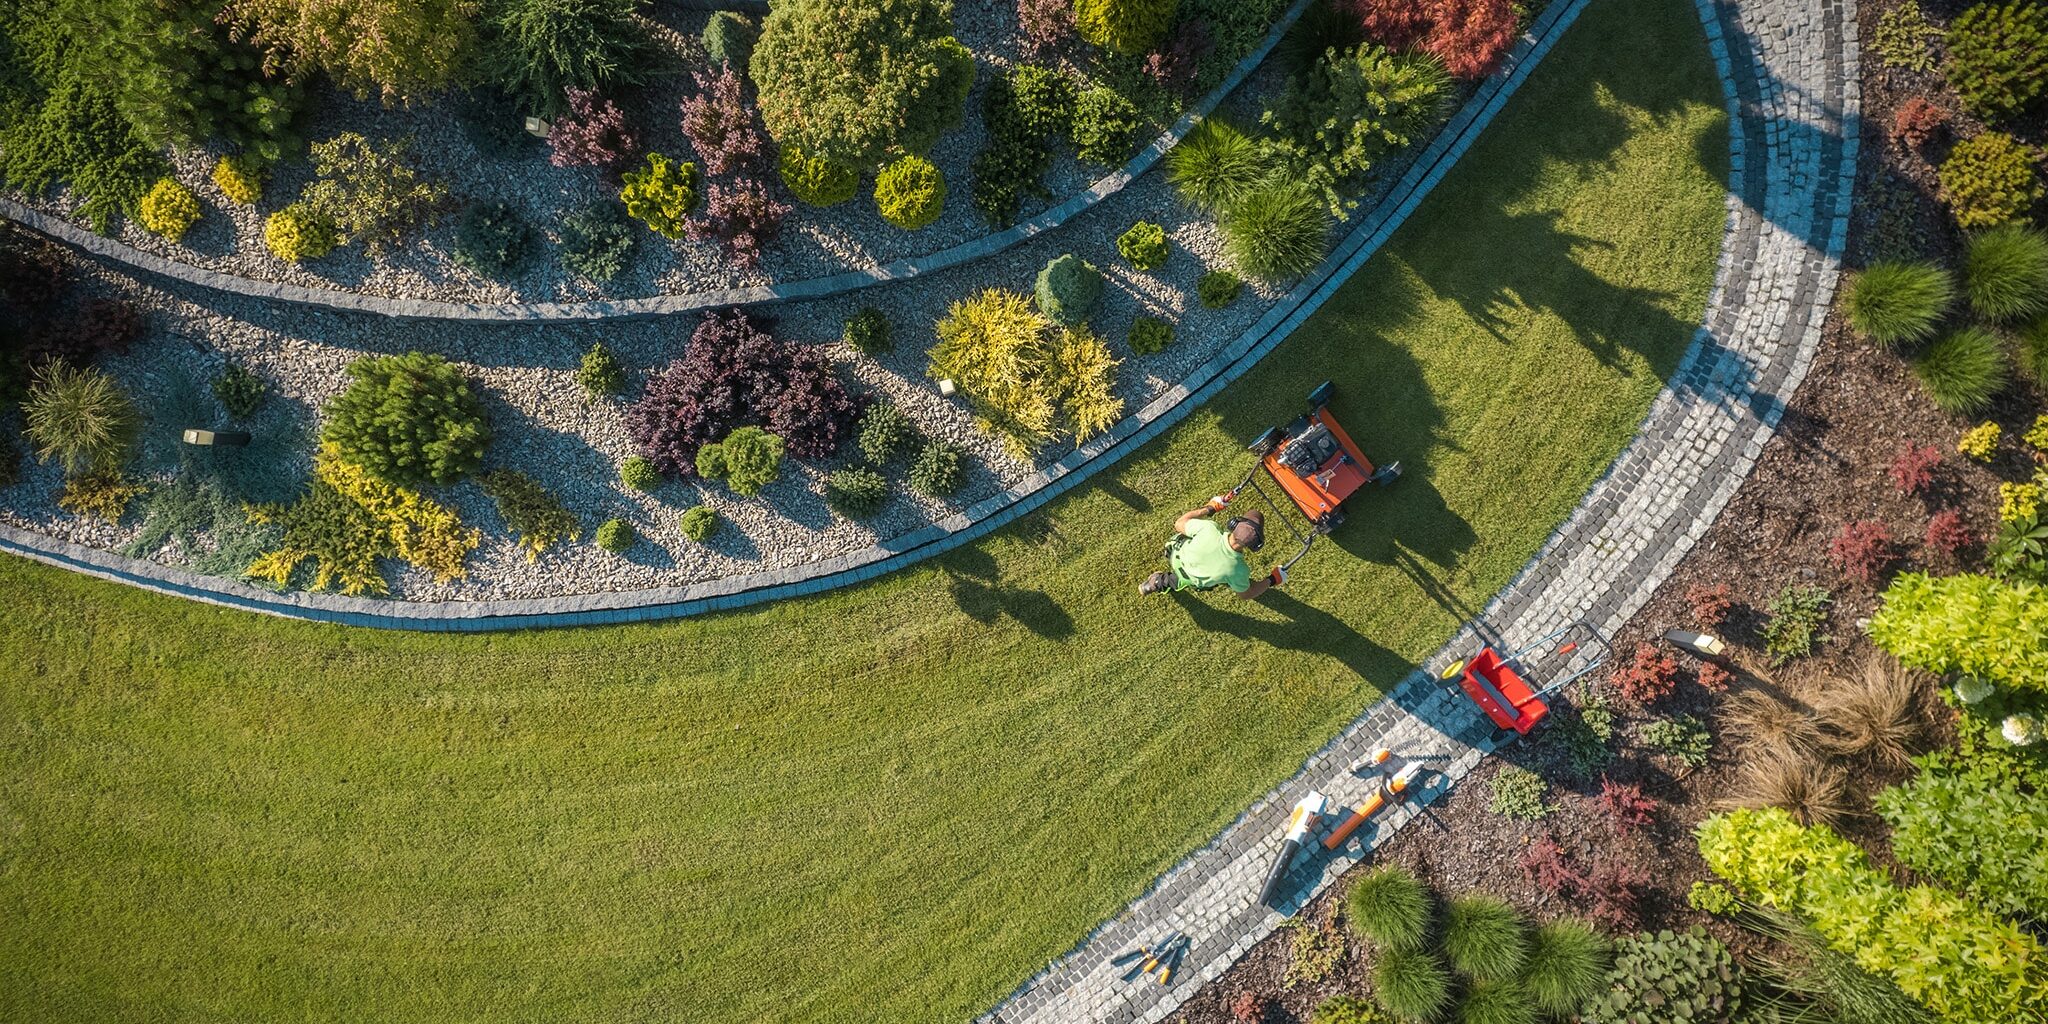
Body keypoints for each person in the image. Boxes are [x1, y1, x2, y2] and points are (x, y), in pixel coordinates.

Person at [1140, 496, 1283, 599]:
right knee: (1235, 580)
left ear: (1234, 524)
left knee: (1184, 536)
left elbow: (1179, 523)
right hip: (1191, 579)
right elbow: (1247, 594)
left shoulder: (1209, 529)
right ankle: (1158, 582)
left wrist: (1210, 508)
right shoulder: (1238, 570)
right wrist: (1272, 579)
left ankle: (1154, 583)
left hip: (1175, 553)